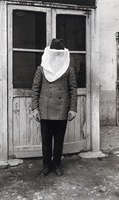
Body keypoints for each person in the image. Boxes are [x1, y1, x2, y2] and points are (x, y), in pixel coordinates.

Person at [32, 38, 77, 177]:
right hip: (45, 110)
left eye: (59, 54)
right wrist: (35, 108)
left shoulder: (68, 70)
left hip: (62, 109)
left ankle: (57, 164)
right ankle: (46, 166)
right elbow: (35, 89)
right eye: (54, 54)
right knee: (46, 141)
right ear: (49, 54)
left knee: (59, 140)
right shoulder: (41, 69)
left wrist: (72, 109)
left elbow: (73, 90)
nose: (57, 57)